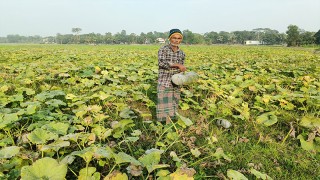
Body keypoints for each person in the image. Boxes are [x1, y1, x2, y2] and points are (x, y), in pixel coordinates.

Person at [156, 29, 187, 123]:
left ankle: (172, 123)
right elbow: (162, 63)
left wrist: (182, 71)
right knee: (163, 104)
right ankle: (162, 125)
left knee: (174, 103)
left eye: (179, 38)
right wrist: (176, 65)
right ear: (170, 38)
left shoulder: (182, 53)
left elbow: (181, 67)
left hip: (176, 82)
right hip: (164, 81)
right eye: (174, 38)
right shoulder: (163, 49)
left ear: (181, 40)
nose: (176, 40)